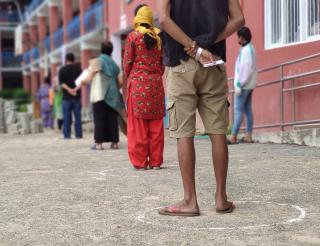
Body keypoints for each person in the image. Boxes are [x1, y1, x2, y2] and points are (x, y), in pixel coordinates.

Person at [157, 0, 245, 216]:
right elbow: (239, 19)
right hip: (213, 61)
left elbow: (163, 19)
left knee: (184, 133)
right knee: (217, 132)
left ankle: (190, 200)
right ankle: (221, 198)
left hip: (181, 61)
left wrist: (195, 48)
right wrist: (208, 42)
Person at [123, 5, 165, 170]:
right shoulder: (158, 38)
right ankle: (156, 162)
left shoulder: (133, 37)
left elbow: (127, 63)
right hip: (156, 86)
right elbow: (162, 65)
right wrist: (154, 74)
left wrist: (132, 75)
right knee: (156, 126)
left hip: (139, 87)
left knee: (138, 127)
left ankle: (140, 163)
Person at [75, 41, 125, 150]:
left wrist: (82, 82)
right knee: (112, 119)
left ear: (101, 49)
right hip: (113, 96)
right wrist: (115, 88)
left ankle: (99, 144)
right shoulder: (115, 64)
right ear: (111, 51)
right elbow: (121, 81)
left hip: (99, 94)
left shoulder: (97, 61)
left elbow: (89, 77)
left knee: (99, 119)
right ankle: (114, 143)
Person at [230, 27, 257, 144]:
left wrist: (239, 84)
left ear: (242, 38)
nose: (237, 39)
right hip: (249, 85)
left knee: (238, 110)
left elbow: (245, 70)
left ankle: (233, 136)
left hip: (243, 85)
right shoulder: (250, 49)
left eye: (238, 36)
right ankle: (248, 136)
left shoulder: (246, 51)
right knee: (247, 110)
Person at [58, 53, 83, 139]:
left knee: (66, 117)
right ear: (74, 59)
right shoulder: (78, 69)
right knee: (78, 117)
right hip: (77, 96)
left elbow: (62, 84)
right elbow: (82, 82)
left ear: (66, 59)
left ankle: (67, 135)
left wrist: (69, 90)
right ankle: (79, 134)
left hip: (66, 97)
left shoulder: (62, 70)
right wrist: (75, 89)